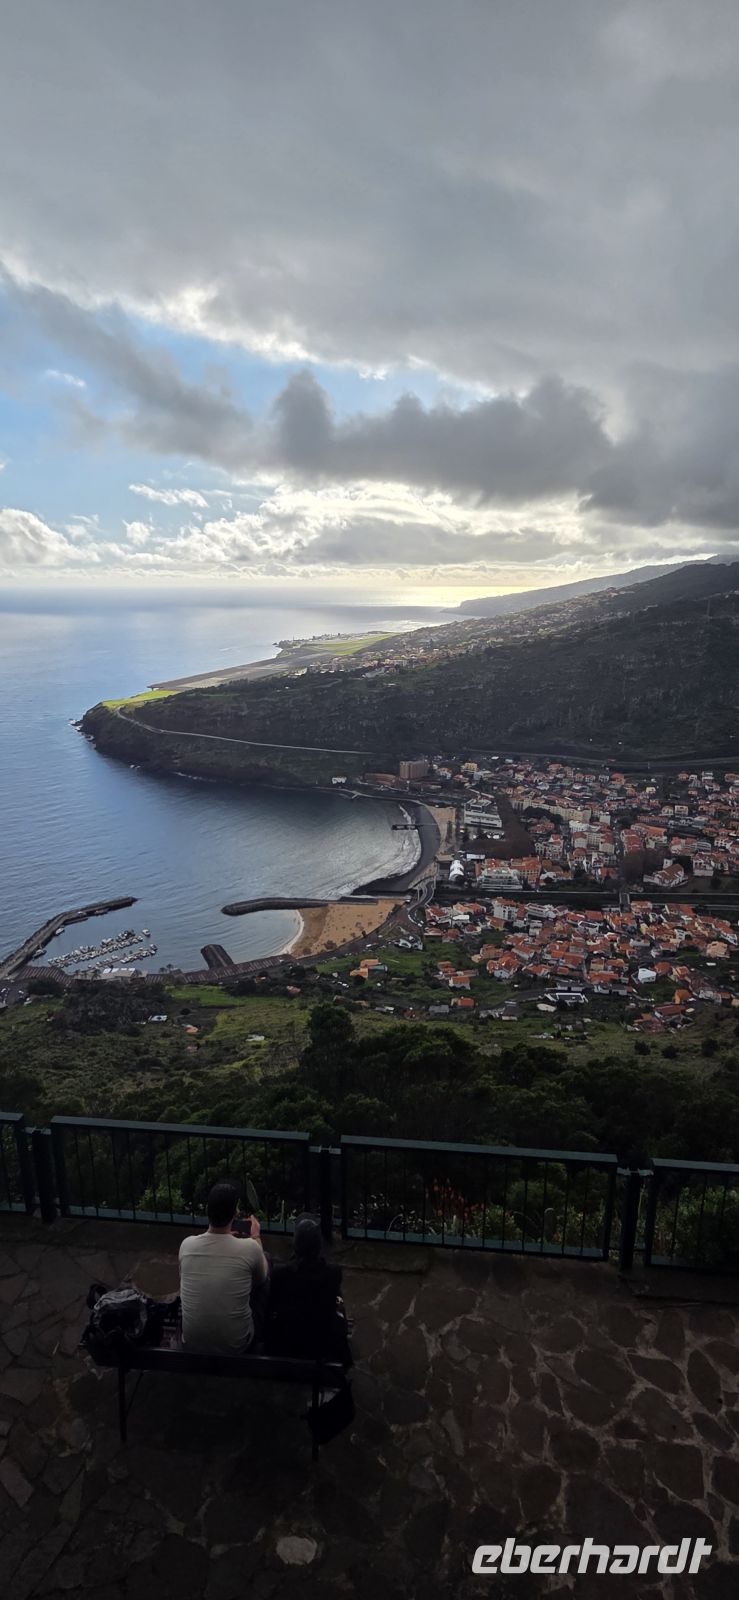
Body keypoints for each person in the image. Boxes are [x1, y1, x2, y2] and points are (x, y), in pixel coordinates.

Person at [178, 1181, 269, 1355]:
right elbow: (262, 1279)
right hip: (237, 1345)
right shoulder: (250, 1248)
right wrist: (256, 1236)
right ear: (235, 1213)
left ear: (207, 1211)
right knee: (264, 1275)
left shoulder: (186, 1246)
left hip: (191, 1343)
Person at [265, 1215, 352, 1367]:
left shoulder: (280, 1274)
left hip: (286, 1349)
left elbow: (271, 1307)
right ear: (319, 1246)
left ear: (295, 1245)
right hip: (321, 1351)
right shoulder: (332, 1274)